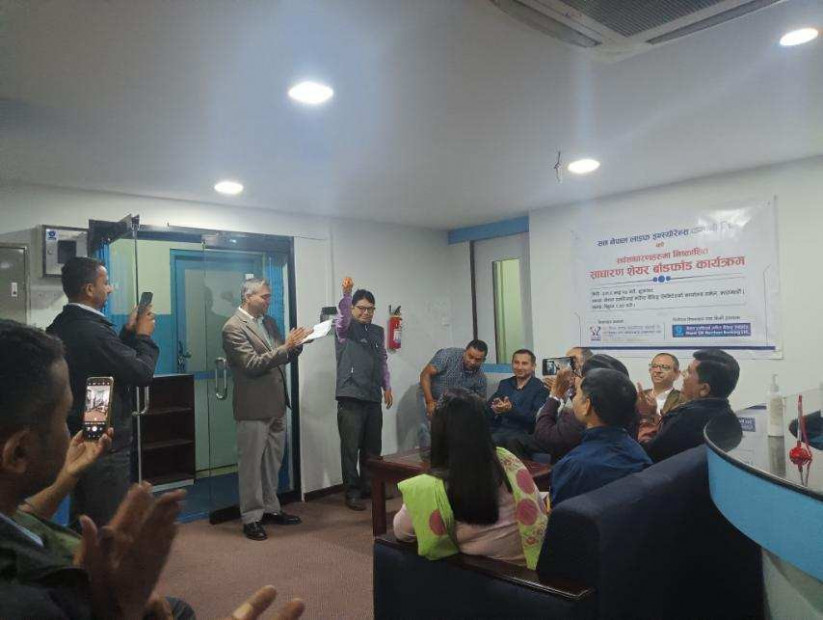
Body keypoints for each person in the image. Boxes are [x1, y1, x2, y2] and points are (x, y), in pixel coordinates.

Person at [0, 319, 190, 619]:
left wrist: (67, 476)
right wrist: (123, 609)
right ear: (19, 452)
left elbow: (20, 516)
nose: (70, 429)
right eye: (64, 416)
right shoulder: (29, 605)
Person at [47, 256, 159, 528]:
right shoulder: (92, 331)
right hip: (104, 441)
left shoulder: (64, 324)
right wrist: (144, 336)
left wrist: (128, 333)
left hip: (82, 432)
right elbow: (141, 372)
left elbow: (105, 364)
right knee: (106, 519)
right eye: (105, 283)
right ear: (89, 289)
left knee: (84, 514)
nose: (109, 289)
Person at [393, 388, 547, 569]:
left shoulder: (428, 487)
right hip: (530, 567)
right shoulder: (508, 460)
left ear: (438, 432)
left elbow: (401, 532)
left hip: (483, 577)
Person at [222, 278, 310, 540]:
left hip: (276, 404)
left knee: (272, 463)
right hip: (253, 408)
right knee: (250, 466)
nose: (269, 301)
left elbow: (281, 357)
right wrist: (286, 347)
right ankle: (251, 518)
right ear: (247, 297)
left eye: (269, 296)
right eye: (264, 296)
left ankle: (271, 508)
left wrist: (298, 345)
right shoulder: (233, 327)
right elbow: (252, 364)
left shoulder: (268, 322)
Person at [550, 368, 652, 506]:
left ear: (586, 405)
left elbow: (561, 515)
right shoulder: (637, 451)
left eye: (577, 393)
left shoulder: (574, 466)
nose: (574, 398)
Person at [334, 277, 393, 511]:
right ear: (353, 308)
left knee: (372, 448)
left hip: (372, 396)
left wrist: (387, 386)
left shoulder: (377, 332)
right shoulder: (345, 328)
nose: (366, 312)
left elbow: (383, 360)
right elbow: (342, 317)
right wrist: (347, 295)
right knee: (350, 448)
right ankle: (352, 492)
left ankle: (370, 486)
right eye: (361, 308)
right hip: (350, 396)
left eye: (370, 309)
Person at [505, 354, 628, 462]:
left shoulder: (586, 408)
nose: (570, 370)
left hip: (561, 443)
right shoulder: (621, 401)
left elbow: (543, 435)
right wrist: (564, 394)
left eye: (576, 367)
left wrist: (555, 395)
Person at [643, 349, 740, 463]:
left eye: (689, 372)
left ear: (704, 389)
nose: (684, 376)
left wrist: (647, 418)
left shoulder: (686, 420)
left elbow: (646, 454)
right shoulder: (729, 417)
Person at [418, 340, 488, 448]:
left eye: (477, 360)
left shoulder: (480, 378)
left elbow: (480, 403)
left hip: (451, 403)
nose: (472, 362)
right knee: (425, 429)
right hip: (429, 394)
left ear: (483, 360)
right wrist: (430, 402)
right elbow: (425, 375)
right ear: (465, 352)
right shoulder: (448, 356)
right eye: (470, 356)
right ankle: (426, 454)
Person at [487, 349, 548, 446]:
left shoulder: (540, 388)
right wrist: (495, 409)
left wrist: (511, 409)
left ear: (533, 366)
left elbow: (534, 418)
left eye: (524, 363)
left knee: (493, 441)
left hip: (522, 433)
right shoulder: (505, 384)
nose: (519, 367)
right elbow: (488, 407)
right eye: (516, 363)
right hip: (499, 428)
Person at [636, 353, 688, 443]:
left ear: (677, 374)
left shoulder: (683, 400)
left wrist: (653, 414)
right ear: (650, 370)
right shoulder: (639, 396)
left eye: (665, 367)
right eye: (654, 366)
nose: (658, 371)